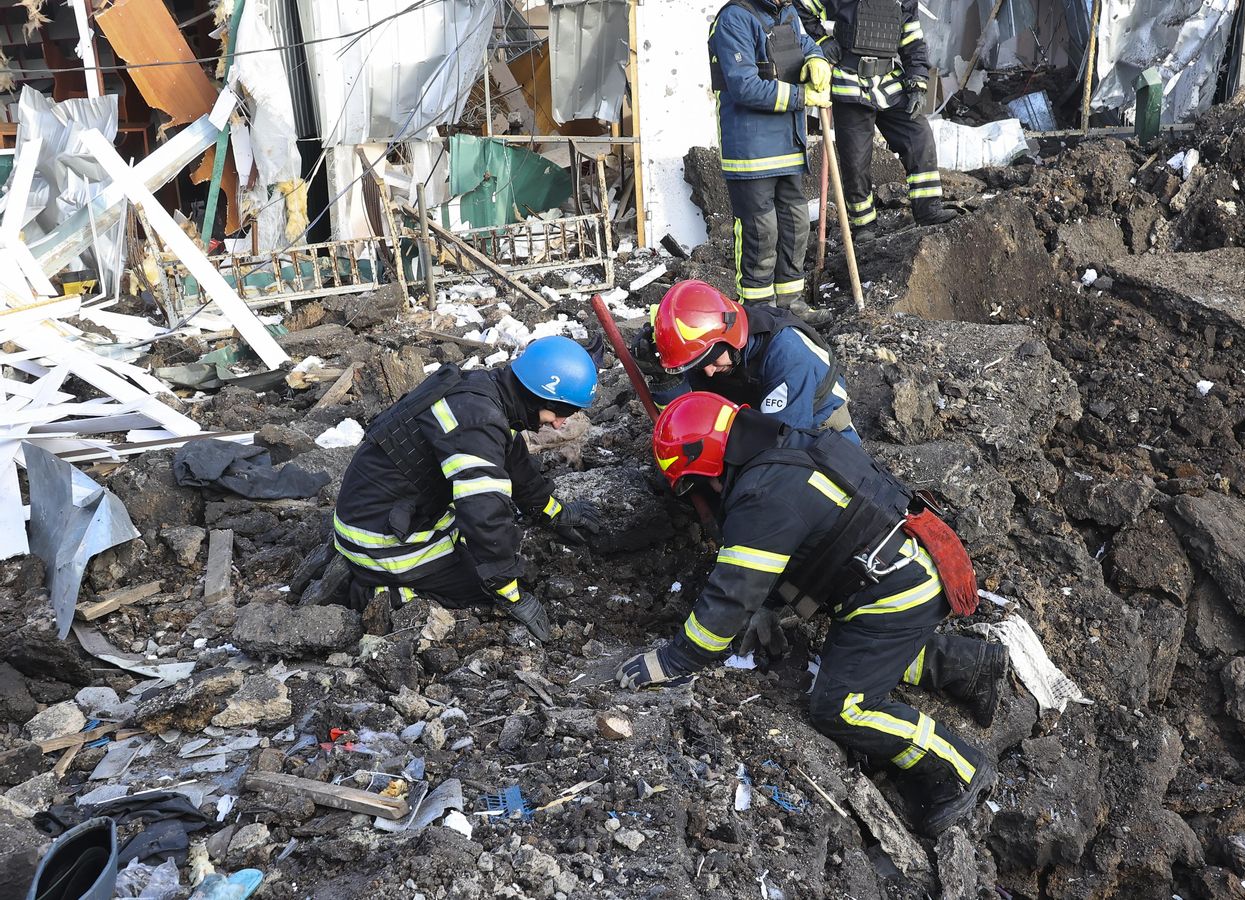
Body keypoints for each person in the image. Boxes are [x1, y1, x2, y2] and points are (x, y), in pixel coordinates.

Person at [617, 392, 1008, 836]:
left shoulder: (762, 494)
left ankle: (956, 770)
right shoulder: (783, 448)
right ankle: (970, 667)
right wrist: (769, 603)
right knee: (861, 651)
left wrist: (676, 660)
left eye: (691, 486)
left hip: (897, 591)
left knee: (840, 707)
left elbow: (730, 596)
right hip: (907, 565)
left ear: (706, 466)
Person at [332, 336, 602, 640]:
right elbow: (483, 511)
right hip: (378, 538)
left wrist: (551, 510)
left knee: (489, 550)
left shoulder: (486, 393)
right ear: (537, 396)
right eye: (558, 411)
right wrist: (507, 591)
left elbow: (513, 460)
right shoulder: (478, 421)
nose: (558, 424)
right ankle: (378, 592)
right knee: (478, 587)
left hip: (389, 507)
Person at [710, 0, 834, 322]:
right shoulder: (734, 19)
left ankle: (790, 302)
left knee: (796, 224)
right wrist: (802, 97)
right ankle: (758, 313)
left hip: (788, 144)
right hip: (751, 152)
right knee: (760, 232)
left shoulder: (787, 14)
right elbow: (745, 86)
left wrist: (817, 59)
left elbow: (805, 44)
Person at [796, 0, 956, 231]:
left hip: (890, 83)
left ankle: (928, 210)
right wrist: (822, 41)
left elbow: (912, 38)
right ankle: (864, 226)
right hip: (848, 84)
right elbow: (802, 6)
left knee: (919, 137)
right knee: (855, 161)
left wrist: (918, 83)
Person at [636, 279, 857, 441]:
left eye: (713, 362)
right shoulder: (705, 350)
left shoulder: (788, 355)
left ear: (731, 339)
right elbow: (684, 418)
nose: (709, 372)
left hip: (823, 441)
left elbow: (781, 447)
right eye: (700, 365)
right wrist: (665, 380)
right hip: (760, 425)